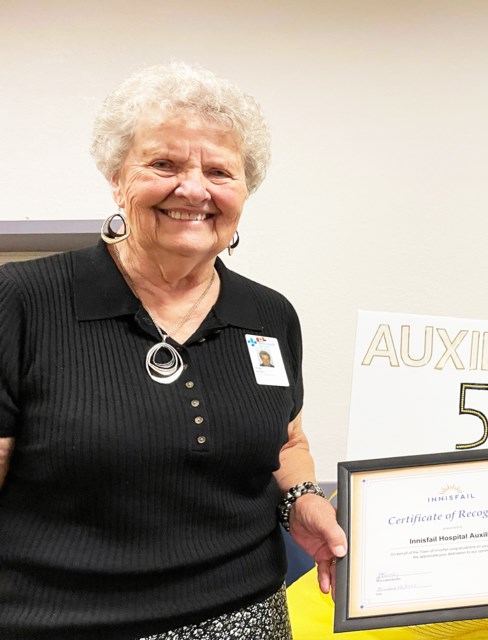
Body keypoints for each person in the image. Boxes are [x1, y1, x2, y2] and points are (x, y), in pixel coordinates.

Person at [0, 62, 346, 640]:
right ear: (116, 177)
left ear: (243, 192)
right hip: (63, 625)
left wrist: (303, 501)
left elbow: (287, 439)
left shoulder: (269, 315)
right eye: (164, 164)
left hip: (249, 622)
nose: (193, 189)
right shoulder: (22, 301)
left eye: (219, 171)